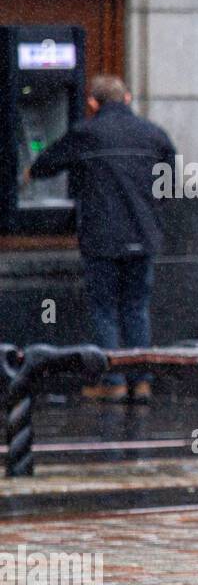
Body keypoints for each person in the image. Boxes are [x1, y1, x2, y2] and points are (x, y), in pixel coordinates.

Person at [24, 75, 177, 404]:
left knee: (105, 309)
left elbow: (44, 165)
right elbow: (170, 182)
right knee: (137, 308)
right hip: (143, 235)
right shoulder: (155, 135)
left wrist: (25, 174)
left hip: (102, 236)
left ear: (93, 103)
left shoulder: (86, 133)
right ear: (128, 98)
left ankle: (113, 380)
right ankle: (142, 381)